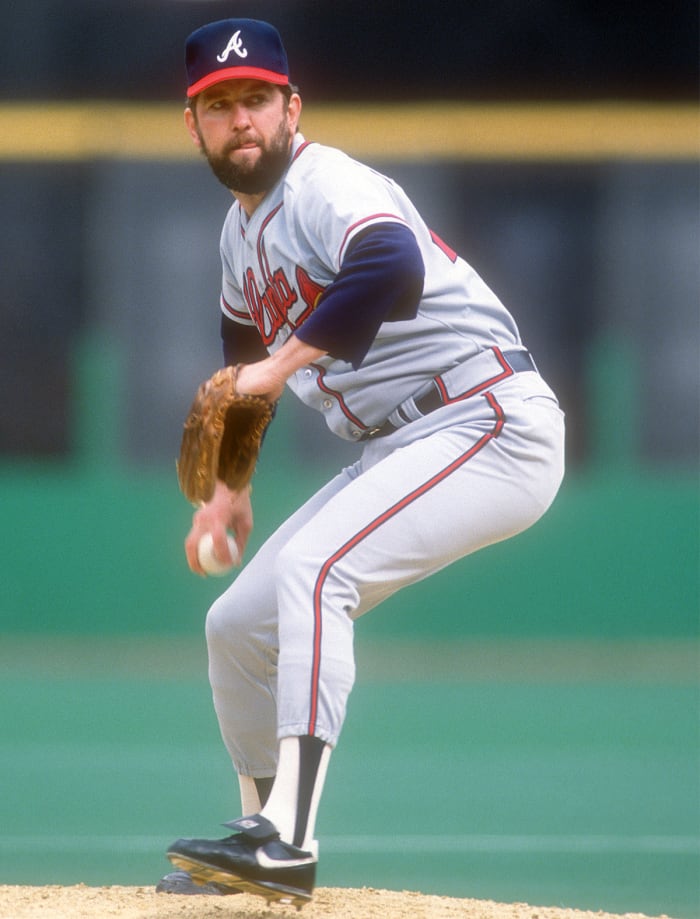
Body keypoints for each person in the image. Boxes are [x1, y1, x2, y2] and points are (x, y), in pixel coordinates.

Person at [160, 17, 565, 908]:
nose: (242, 121)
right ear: (193, 127)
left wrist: (275, 363)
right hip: (416, 437)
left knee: (314, 571)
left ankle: (290, 844)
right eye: (219, 106)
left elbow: (388, 264)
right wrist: (228, 493)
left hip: (488, 417)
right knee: (234, 625)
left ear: (291, 107)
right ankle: (255, 844)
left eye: (257, 99)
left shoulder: (325, 182)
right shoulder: (239, 240)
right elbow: (242, 371)